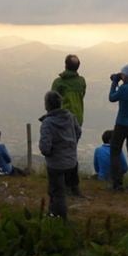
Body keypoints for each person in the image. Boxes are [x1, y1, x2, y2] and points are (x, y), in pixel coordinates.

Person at [39, 91, 81, 220]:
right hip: (71, 161)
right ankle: (52, 212)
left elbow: (45, 148)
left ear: (47, 105)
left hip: (56, 163)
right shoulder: (70, 116)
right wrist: (71, 147)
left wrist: (49, 152)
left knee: (57, 192)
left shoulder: (48, 123)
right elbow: (78, 132)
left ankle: (60, 219)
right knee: (57, 189)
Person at [51, 54, 86, 196]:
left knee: (61, 152)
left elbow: (53, 100)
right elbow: (82, 95)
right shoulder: (81, 81)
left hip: (62, 120)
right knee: (72, 152)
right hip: (77, 119)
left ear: (65, 65)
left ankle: (65, 185)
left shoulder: (58, 83)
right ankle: (73, 186)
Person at [109, 64, 128, 191]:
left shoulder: (123, 89)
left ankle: (117, 184)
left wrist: (114, 82)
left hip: (122, 124)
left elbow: (112, 98)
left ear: (126, 76)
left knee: (115, 151)